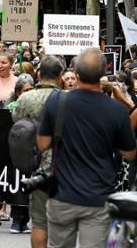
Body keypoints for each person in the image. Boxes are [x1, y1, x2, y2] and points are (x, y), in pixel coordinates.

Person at [37, 47, 137, 248]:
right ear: (103, 74)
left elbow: (42, 144)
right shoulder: (116, 110)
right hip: (98, 197)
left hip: (62, 195)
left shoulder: (57, 101)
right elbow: (130, 154)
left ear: (76, 73)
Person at [12, 55, 63, 244]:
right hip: (63, 166)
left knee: (39, 223)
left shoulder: (25, 98)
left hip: (37, 165)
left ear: (39, 74)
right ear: (60, 75)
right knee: (61, 223)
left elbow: (17, 123)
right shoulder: (67, 99)